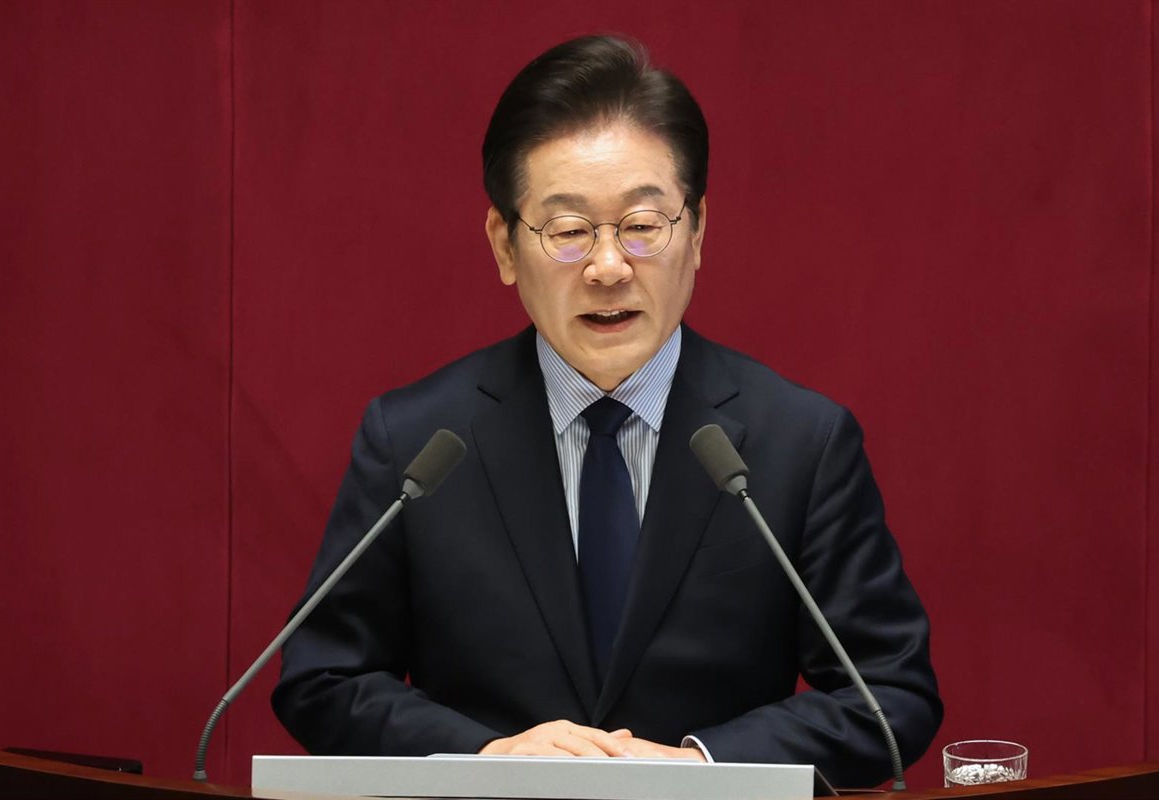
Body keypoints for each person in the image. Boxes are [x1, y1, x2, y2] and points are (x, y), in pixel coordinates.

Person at [272, 34, 942, 788]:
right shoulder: (418, 442)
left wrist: (700, 767)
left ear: (697, 232)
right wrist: (484, 758)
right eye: (567, 232)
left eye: (643, 225)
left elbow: (890, 692)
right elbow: (322, 678)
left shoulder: (800, 443)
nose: (608, 266)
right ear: (504, 245)